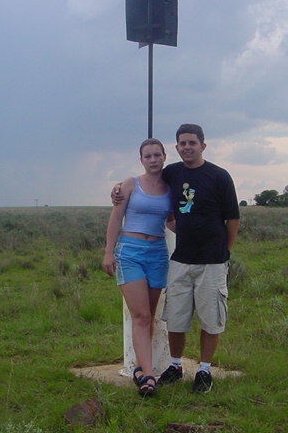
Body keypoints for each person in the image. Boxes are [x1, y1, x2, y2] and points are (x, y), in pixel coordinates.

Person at [114, 124, 240, 394]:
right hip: (180, 259)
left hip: (212, 261)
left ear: (202, 145)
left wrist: (224, 251)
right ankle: (175, 365)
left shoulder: (219, 176)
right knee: (176, 318)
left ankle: (204, 370)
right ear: (176, 148)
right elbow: (146, 184)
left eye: (192, 143)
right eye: (182, 143)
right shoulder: (173, 173)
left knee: (210, 318)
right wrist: (118, 189)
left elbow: (233, 218)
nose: (187, 147)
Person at [103, 138, 173, 397]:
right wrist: (109, 252)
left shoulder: (171, 187)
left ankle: (141, 369)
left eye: (157, 155)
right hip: (130, 252)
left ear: (165, 156)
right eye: (148, 156)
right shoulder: (130, 184)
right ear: (141, 160)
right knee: (140, 316)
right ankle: (149, 376)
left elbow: (175, 221)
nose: (153, 160)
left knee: (149, 315)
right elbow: (116, 217)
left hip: (157, 254)